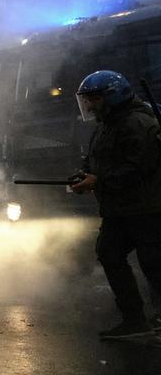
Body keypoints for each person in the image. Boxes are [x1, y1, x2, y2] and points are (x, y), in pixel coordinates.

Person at [70, 70, 161, 340]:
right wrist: (85, 175)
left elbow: (138, 167)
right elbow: (95, 159)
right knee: (109, 254)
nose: (89, 105)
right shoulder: (107, 123)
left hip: (146, 208)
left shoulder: (137, 123)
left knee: (154, 265)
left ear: (113, 95)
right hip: (119, 209)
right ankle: (135, 320)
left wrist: (98, 180)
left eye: (94, 99)